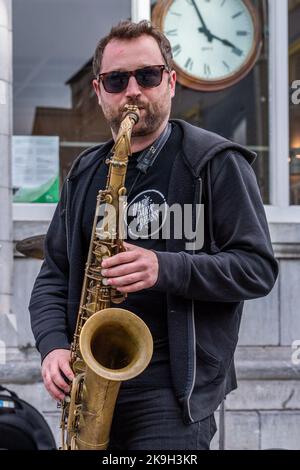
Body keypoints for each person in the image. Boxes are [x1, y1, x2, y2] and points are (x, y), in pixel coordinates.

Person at [29, 20, 278, 450]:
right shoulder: (86, 172)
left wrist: (166, 267)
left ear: (171, 81)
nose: (133, 90)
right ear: (98, 90)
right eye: (116, 79)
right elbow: (54, 274)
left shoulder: (215, 162)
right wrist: (52, 347)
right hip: (91, 383)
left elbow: (256, 268)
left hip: (174, 391)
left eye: (147, 75)